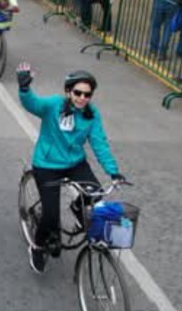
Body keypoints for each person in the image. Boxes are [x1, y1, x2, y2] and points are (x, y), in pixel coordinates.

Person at [15, 64, 125, 274]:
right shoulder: (54, 105)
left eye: (87, 94)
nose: (82, 98)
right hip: (47, 165)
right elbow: (33, 104)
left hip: (75, 163)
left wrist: (113, 172)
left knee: (96, 197)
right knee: (50, 215)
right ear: (68, 92)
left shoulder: (92, 114)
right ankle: (37, 247)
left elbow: (99, 143)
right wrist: (25, 89)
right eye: (77, 93)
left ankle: (77, 208)